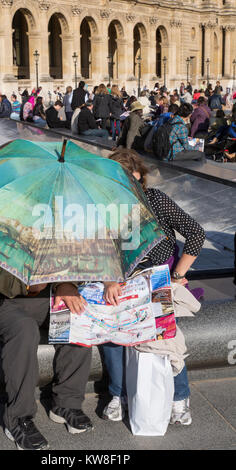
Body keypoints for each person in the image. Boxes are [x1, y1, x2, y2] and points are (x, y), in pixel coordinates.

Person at [101, 148, 205, 424]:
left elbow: (196, 233)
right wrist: (110, 280)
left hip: (158, 278)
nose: (133, 188)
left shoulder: (156, 200)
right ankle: (118, 394)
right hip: (121, 281)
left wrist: (177, 274)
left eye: (137, 181)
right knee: (111, 331)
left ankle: (179, 399)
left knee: (166, 331)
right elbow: (98, 251)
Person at [0, 247, 93, 450]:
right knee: (24, 328)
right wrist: (25, 286)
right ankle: (18, 419)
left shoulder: (38, 217)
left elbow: (60, 256)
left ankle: (67, 403)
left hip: (36, 294)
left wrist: (65, 283)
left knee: (76, 314)